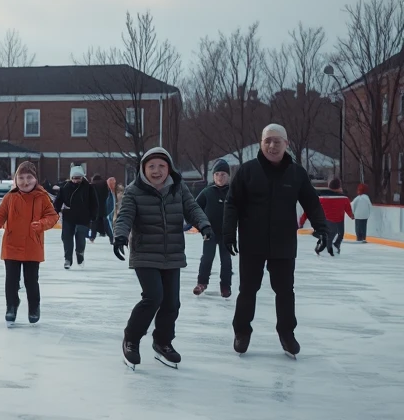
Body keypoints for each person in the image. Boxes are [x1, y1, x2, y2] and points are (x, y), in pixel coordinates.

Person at [224, 124, 332, 358]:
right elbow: (232, 203)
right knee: (247, 290)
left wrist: (322, 228)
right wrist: (229, 232)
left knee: (285, 291)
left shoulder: (296, 173)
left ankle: (287, 334)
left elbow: (311, 202)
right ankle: (241, 332)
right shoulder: (247, 171)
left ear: (286, 144)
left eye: (277, 141)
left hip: (284, 243)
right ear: (261, 143)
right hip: (252, 242)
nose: (272, 146)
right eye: (268, 141)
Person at [113, 147, 213, 369]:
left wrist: (204, 224)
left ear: (169, 168)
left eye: (161, 166)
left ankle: (162, 342)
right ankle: (131, 339)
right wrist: (120, 236)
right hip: (144, 253)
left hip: (172, 253)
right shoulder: (134, 191)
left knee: (172, 302)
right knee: (153, 297)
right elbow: (125, 216)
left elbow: (192, 208)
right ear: (143, 169)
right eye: (151, 166)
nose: (156, 171)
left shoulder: (178, 187)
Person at [0, 161, 59, 324]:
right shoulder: (10, 197)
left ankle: (34, 307)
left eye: (29, 177)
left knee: (31, 280)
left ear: (35, 179)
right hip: (12, 244)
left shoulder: (42, 197)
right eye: (21, 178)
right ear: (16, 180)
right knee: (11, 280)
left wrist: (42, 224)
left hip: (32, 245)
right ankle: (11, 305)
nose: (25, 182)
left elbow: (52, 216)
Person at [193, 160, 232, 298]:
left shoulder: (233, 192)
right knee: (207, 257)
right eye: (217, 174)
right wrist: (200, 225)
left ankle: (225, 286)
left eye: (223, 174)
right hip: (209, 231)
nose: (220, 177)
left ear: (228, 176)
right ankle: (202, 283)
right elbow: (195, 208)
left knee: (226, 260)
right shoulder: (207, 192)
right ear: (213, 176)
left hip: (227, 233)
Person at [53, 165, 99, 269]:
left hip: (83, 217)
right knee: (67, 238)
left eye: (78, 178)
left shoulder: (89, 188)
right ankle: (68, 259)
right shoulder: (65, 187)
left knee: (80, 237)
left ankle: (80, 253)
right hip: (69, 216)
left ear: (82, 177)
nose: (76, 180)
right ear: (71, 178)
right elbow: (58, 201)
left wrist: (93, 215)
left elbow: (94, 203)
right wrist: (55, 211)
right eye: (74, 178)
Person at [299, 177, 353, 255]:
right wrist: (352, 216)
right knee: (339, 235)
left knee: (327, 235)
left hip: (325, 220)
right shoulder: (344, 198)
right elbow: (348, 210)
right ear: (339, 187)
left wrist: (301, 221)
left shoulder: (320, 198)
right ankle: (335, 246)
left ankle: (323, 245)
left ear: (329, 187)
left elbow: (310, 209)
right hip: (339, 221)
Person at [88, 174, 114, 244]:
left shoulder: (92, 185)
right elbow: (107, 194)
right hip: (103, 206)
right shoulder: (105, 184)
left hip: (95, 206)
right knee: (106, 223)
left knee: (94, 223)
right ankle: (111, 238)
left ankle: (92, 237)